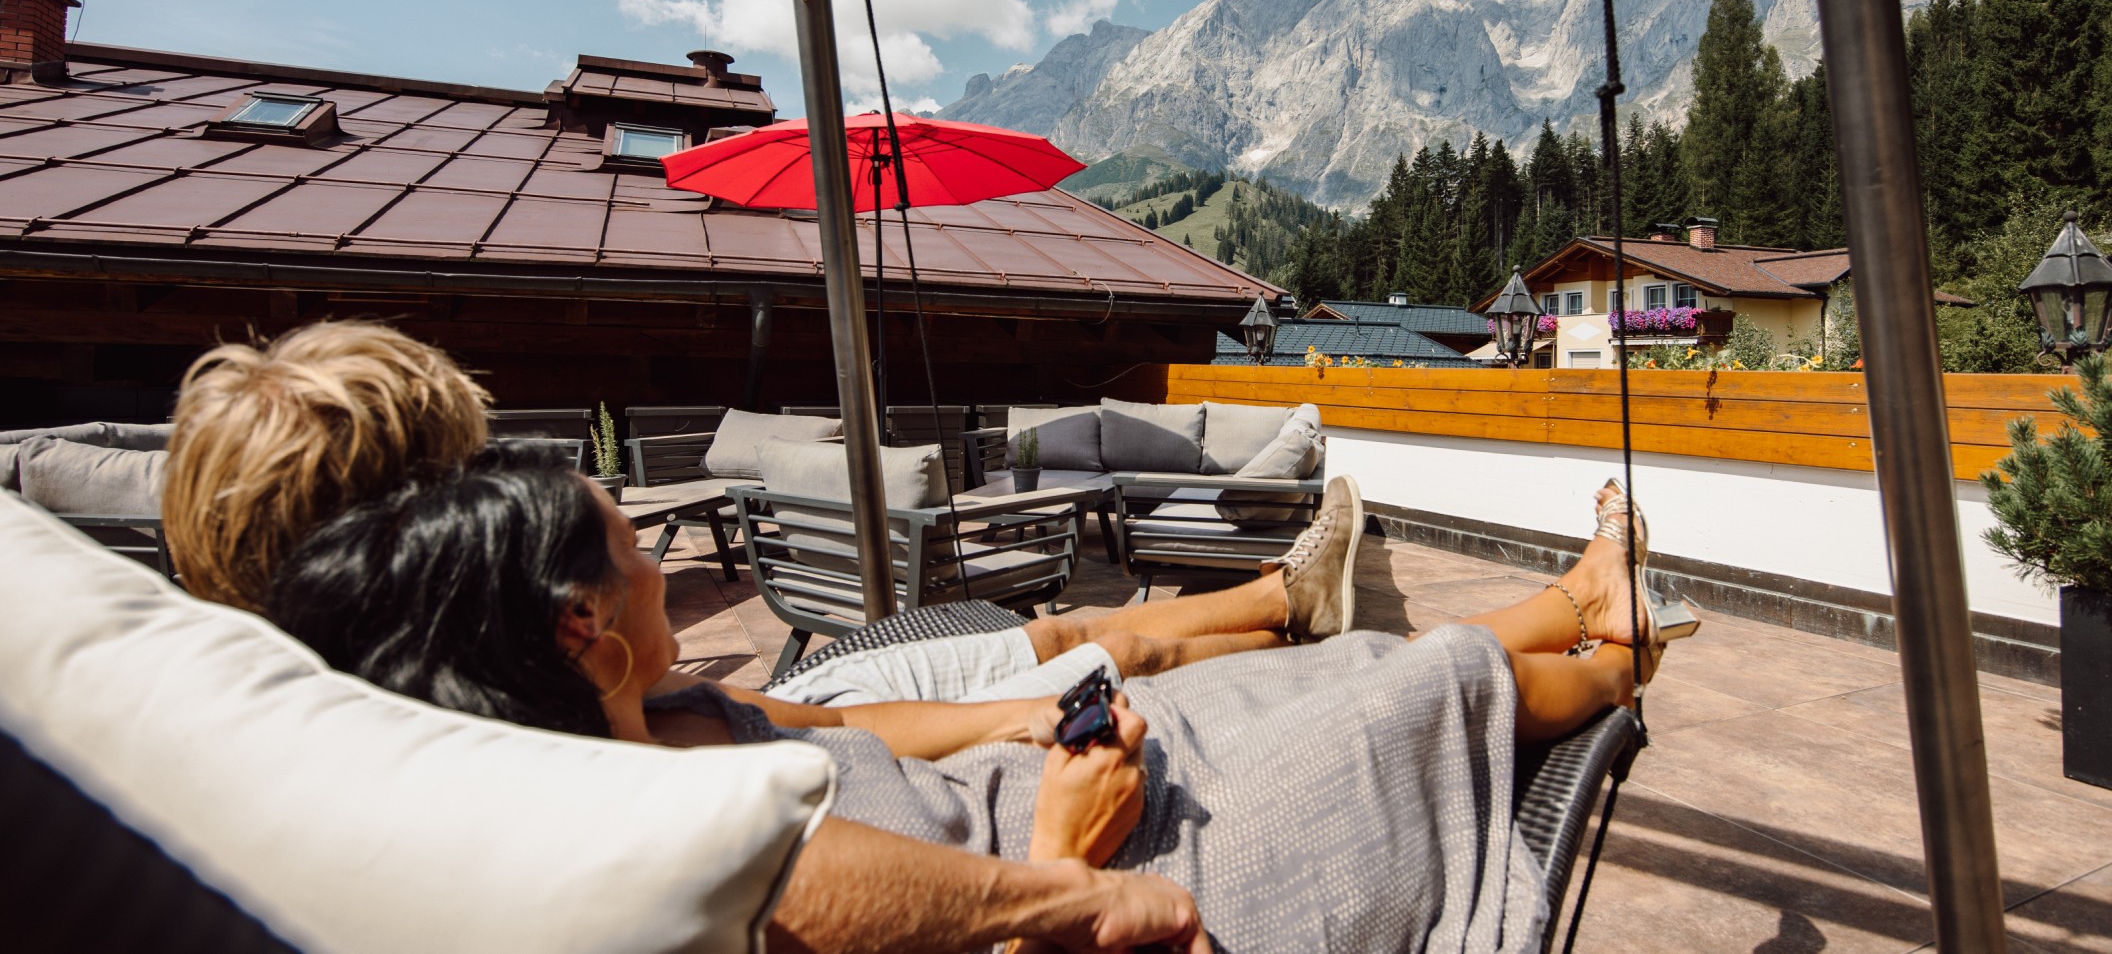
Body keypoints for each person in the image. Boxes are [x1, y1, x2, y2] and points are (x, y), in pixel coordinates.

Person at [265, 446, 1655, 952]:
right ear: (582, 634)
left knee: (1329, 670)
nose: (659, 567)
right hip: (1099, 887)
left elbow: (849, 728)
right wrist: (1064, 863)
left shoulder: (676, 717)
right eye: (639, 551)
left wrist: (1009, 724)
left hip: (1029, 799)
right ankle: (1617, 650)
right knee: (1407, 698)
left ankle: (1584, 599)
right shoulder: (663, 874)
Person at [159, 321, 1360, 752]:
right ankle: (1286, 615)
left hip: (811, 679)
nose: (500, 499)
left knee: (1057, 629)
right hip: (820, 696)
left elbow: (779, 718)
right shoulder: (525, 716)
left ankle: (1274, 600)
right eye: (463, 479)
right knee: (1074, 646)